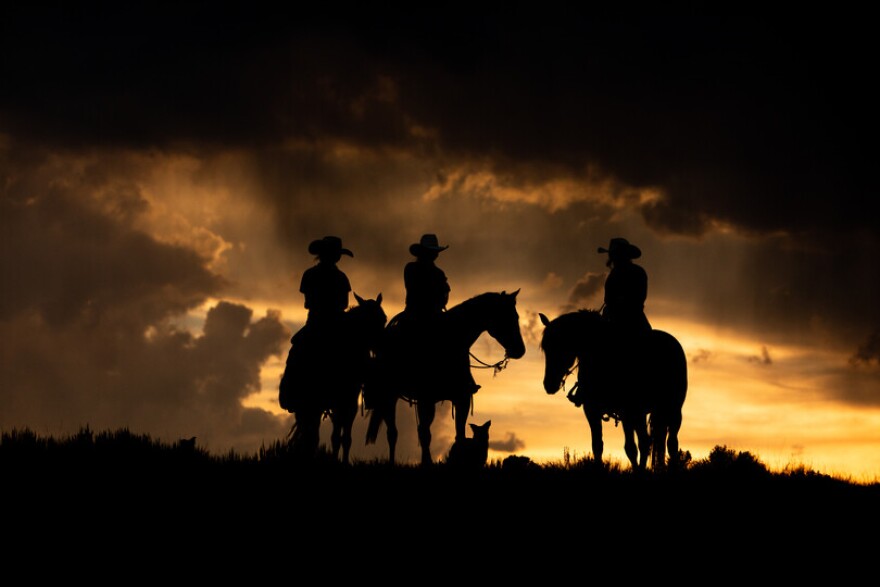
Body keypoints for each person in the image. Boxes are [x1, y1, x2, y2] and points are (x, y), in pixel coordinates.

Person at [598, 237, 652, 335]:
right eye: (614, 255)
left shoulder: (637, 272)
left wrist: (621, 302)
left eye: (618, 254)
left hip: (633, 318)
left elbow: (639, 298)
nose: (616, 258)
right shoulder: (613, 275)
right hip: (611, 316)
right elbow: (608, 299)